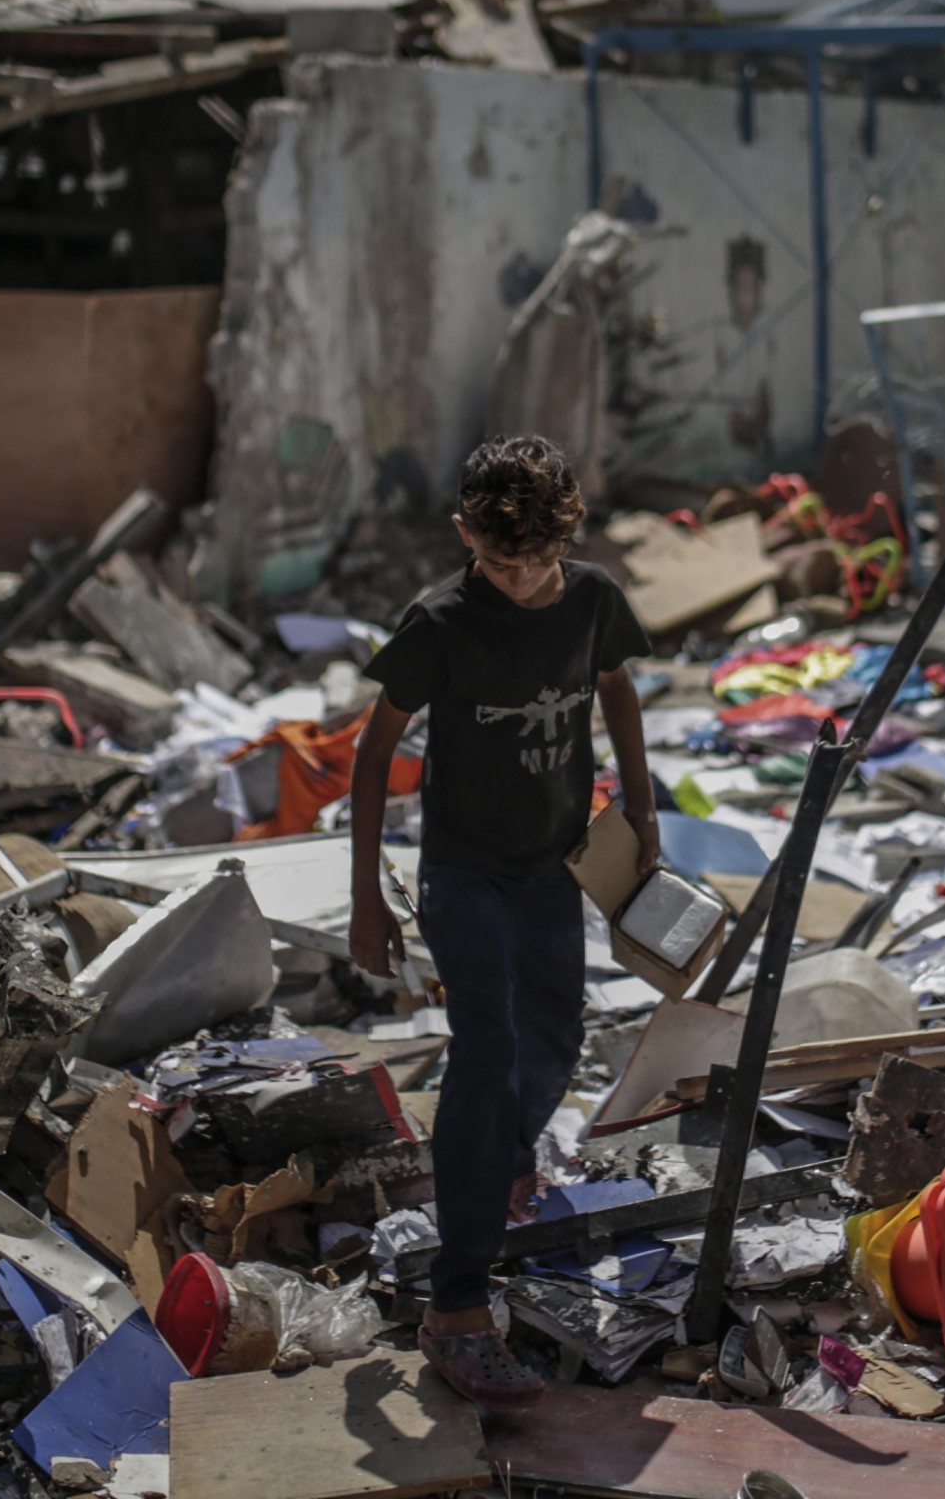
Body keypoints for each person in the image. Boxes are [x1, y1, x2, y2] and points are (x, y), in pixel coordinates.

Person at [347, 436, 654, 1412]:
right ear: (463, 534)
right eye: (497, 558)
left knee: (556, 1043)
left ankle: (493, 1159)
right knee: (487, 1047)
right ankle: (458, 1307)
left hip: (553, 867)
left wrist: (641, 812)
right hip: (464, 872)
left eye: (536, 559)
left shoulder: (594, 598)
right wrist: (365, 896)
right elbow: (373, 748)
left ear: (570, 534)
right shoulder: (441, 621)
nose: (519, 578)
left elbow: (616, 687)